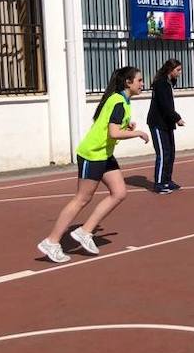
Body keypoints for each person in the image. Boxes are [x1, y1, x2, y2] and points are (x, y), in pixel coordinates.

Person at [37, 67, 149, 263]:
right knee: (82, 199)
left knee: (119, 193)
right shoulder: (118, 102)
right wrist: (137, 133)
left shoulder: (122, 100)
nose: (142, 84)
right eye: (139, 80)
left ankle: (85, 231)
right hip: (92, 154)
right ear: (128, 83)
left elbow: (109, 126)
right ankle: (52, 241)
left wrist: (127, 125)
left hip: (105, 154)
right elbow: (113, 133)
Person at [147, 59, 185, 194]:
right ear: (170, 70)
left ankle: (167, 180)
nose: (180, 73)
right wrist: (177, 118)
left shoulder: (169, 82)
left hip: (166, 123)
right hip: (157, 123)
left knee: (171, 153)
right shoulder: (161, 83)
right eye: (178, 70)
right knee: (163, 154)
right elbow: (164, 106)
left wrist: (173, 119)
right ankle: (159, 183)